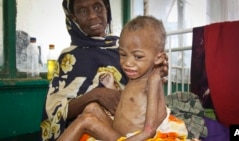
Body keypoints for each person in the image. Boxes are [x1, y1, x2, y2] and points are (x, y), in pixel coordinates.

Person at [39, 0, 168, 140]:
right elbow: (53, 111)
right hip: (98, 127)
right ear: (73, 17)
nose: (93, 16)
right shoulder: (68, 58)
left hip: (130, 127)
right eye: (83, 11)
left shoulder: (126, 47)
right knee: (90, 110)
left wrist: (156, 70)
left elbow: (139, 94)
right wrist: (95, 95)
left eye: (97, 7)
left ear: (106, 9)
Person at [58, 16, 194, 141]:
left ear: (158, 57)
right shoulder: (137, 75)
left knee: (86, 121)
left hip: (135, 138)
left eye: (138, 56)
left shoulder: (153, 79)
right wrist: (111, 86)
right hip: (119, 132)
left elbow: (149, 130)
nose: (128, 63)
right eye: (123, 54)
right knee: (91, 108)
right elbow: (132, 102)